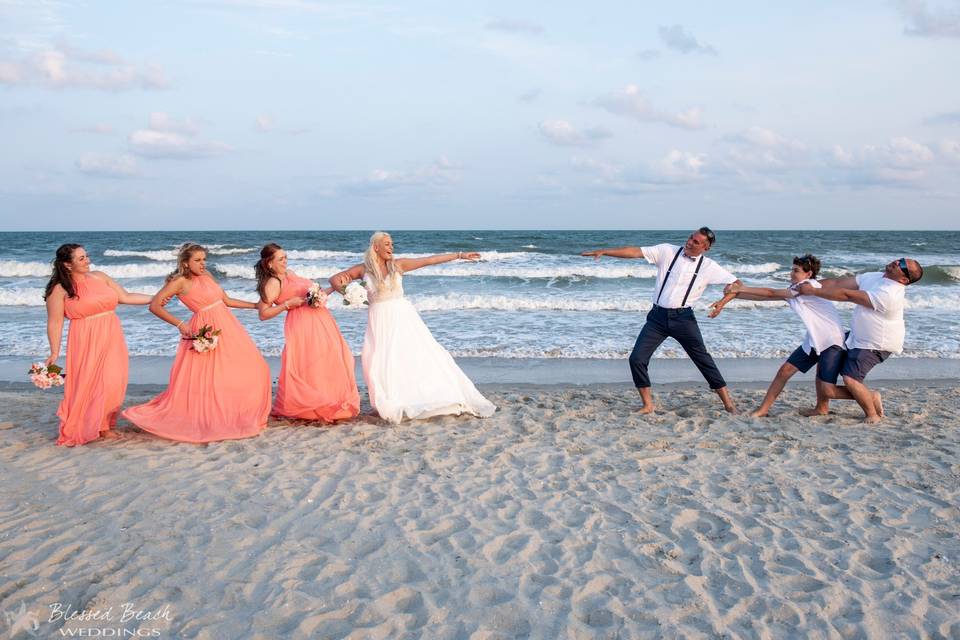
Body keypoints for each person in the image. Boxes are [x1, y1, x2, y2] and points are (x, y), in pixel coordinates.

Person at [328, 231, 496, 424]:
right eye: (387, 244)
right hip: (379, 320)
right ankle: (390, 398)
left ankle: (421, 394)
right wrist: (347, 292)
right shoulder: (363, 269)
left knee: (411, 355)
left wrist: (459, 255)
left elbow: (430, 260)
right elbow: (335, 279)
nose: (391, 247)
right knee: (378, 360)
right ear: (376, 247)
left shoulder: (398, 265)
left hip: (402, 317)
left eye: (392, 244)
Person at [122, 243, 272, 442]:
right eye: (198, 260)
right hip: (205, 329)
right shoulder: (180, 282)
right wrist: (180, 324)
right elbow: (155, 306)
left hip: (227, 326)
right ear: (186, 263)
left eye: (204, 259)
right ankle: (214, 416)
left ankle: (237, 412)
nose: (203, 264)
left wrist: (254, 306)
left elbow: (225, 301)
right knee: (209, 376)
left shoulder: (207, 275)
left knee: (254, 367)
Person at [581, 227, 740, 414]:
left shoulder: (709, 267)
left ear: (706, 247)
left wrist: (722, 303)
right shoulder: (668, 251)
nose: (689, 242)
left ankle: (728, 403)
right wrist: (605, 251)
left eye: (696, 242)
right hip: (657, 318)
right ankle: (648, 405)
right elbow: (635, 252)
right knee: (637, 359)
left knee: (703, 360)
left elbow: (737, 284)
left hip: (684, 319)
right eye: (690, 237)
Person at [709, 254, 845, 417]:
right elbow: (768, 296)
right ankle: (765, 409)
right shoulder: (797, 289)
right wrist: (733, 296)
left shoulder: (806, 286)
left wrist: (741, 289)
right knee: (784, 371)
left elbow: (771, 292)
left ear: (808, 274)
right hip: (815, 339)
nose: (792, 273)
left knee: (827, 388)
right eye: (792, 269)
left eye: (796, 270)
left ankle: (868, 397)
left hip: (831, 341)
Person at [43, 243, 152, 446]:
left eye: (87, 256)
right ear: (68, 264)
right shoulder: (59, 290)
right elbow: (55, 322)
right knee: (92, 382)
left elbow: (126, 297)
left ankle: (105, 422)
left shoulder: (100, 277)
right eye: (81, 258)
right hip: (86, 338)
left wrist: (157, 298)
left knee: (114, 380)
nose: (88, 261)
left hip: (111, 333)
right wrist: (54, 352)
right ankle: (101, 427)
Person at [796, 257, 923, 423]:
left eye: (902, 265)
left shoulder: (890, 294)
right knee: (827, 350)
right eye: (900, 260)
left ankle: (872, 413)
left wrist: (813, 292)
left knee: (850, 379)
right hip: (857, 336)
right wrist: (808, 284)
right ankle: (821, 407)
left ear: (904, 279)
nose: (897, 262)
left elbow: (847, 295)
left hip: (876, 343)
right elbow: (837, 284)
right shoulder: (875, 277)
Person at [254, 243, 360, 422]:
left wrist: (334, 289)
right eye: (280, 259)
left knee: (331, 358)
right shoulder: (273, 283)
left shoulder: (291, 274)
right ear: (269, 264)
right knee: (310, 362)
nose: (285, 260)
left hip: (321, 320)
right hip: (302, 325)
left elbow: (312, 296)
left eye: (285, 256)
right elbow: (263, 314)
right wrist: (286, 305)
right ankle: (312, 403)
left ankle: (329, 398)